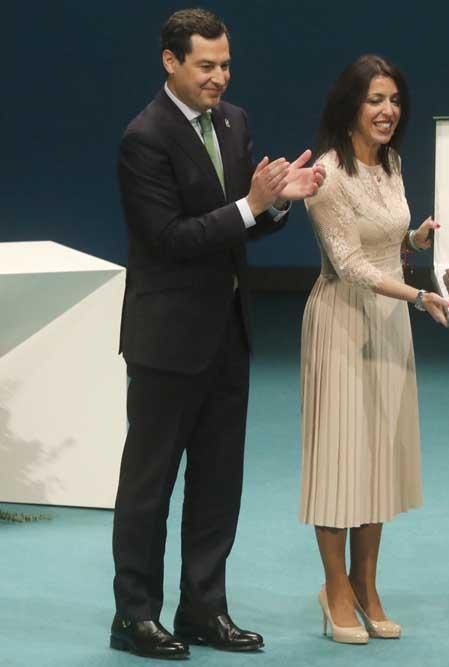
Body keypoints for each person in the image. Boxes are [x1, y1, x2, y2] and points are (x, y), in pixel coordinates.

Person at [111, 8, 325, 659]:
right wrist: (251, 204)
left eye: (225, 64)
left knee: (218, 480)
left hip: (228, 333)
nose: (219, 77)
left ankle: (204, 606)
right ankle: (135, 616)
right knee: (150, 485)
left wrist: (279, 199)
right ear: (170, 62)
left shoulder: (233, 122)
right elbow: (169, 238)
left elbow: (241, 225)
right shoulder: (143, 139)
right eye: (206, 65)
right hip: (166, 340)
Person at [299, 54, 449, 645]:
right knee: (340, 459)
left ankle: (367, 584)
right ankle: (334, 587)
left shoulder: (390, 163)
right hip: (342, 320)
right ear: (350, 107)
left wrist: (417, 238)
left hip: (390, 321)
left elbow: (386, 242)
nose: (388, 111)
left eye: (393, 100)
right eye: (375, 101)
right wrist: (417, 294)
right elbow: (350, 263)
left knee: (379, 458)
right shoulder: (328, 175)